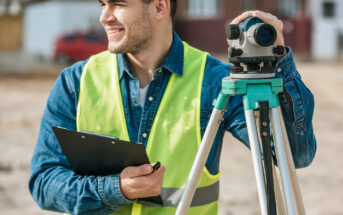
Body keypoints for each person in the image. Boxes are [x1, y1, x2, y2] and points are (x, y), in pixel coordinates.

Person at [29, 0, 316, 214]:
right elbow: (44, 181)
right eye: (103, 4)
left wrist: (279, 63)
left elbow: (296, 154)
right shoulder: (76, 82)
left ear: (159, 7)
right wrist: (117, 189)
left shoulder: (214, 82)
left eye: (118, 4)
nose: (105, 17)